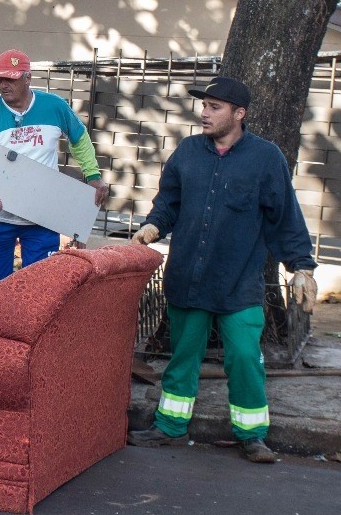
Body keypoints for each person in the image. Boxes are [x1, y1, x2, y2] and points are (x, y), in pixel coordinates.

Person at [127, 76, 318, 463]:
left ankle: (252, 435)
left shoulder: (266, 159)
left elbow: (285, 218)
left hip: (238, 283)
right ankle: (169, 427)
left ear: (239, 113)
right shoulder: (188, 152)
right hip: (188, 278)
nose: (204, 113)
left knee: (245, 358)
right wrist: (154, 224)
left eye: (214, 107)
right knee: (183, 356)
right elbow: (169, 201)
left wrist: (301, 266)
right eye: (204, 105)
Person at [0, 49, 109, 293]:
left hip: (42, 216)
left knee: (42, 292)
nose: (3, 85)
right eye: (0, 79)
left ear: (27, 77)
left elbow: (79, 138)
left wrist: (93, 176)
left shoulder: (54, 107)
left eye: (10, 79)